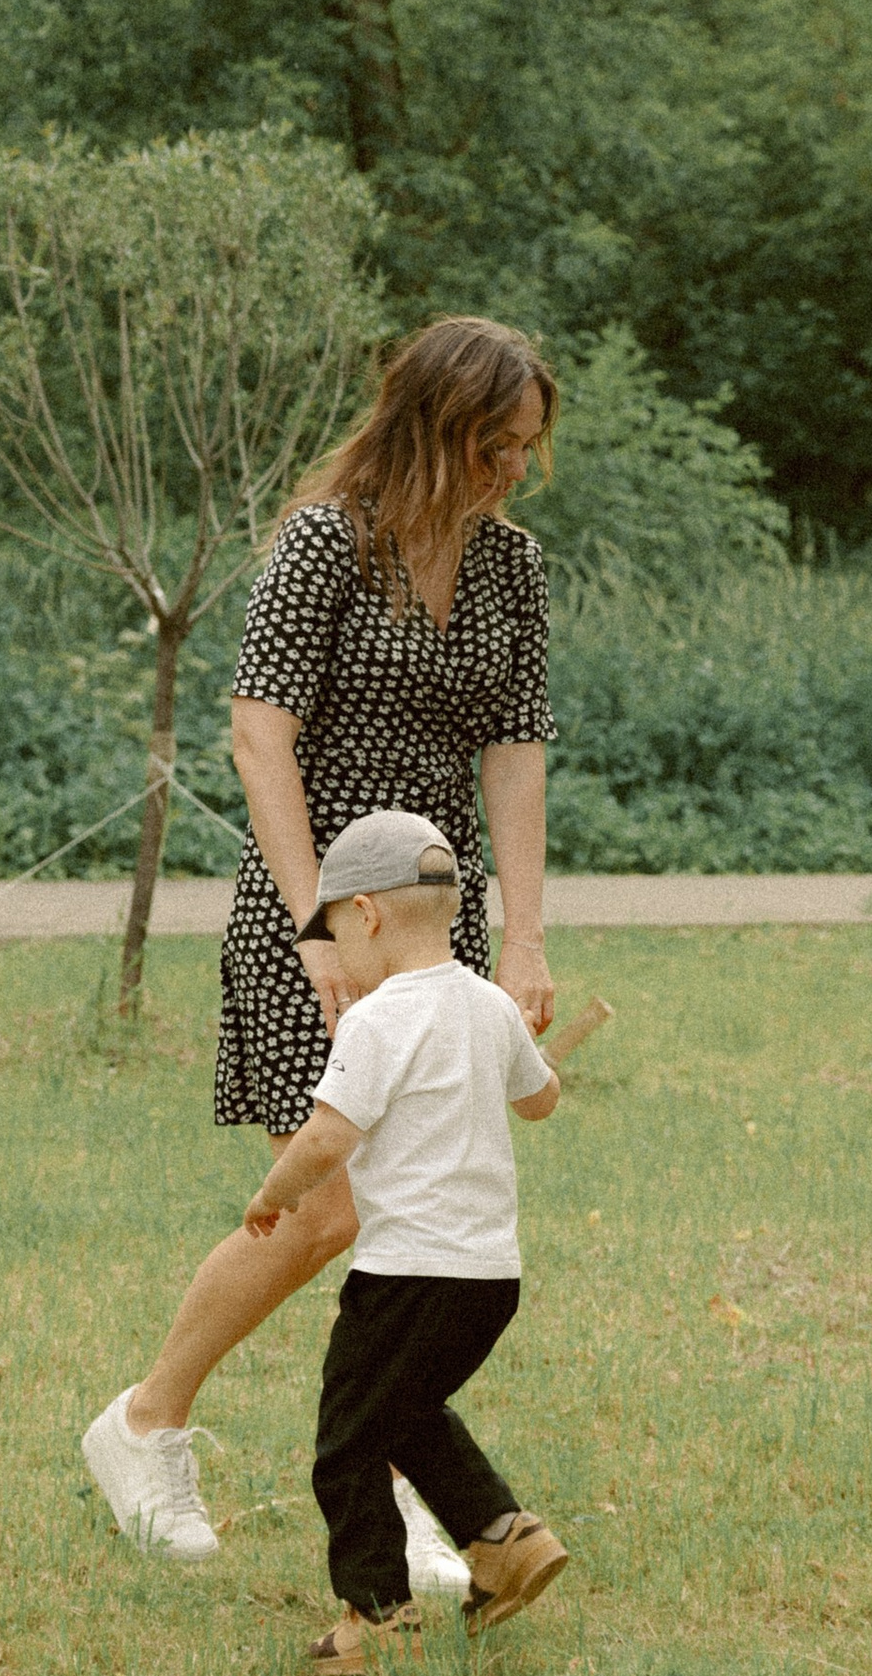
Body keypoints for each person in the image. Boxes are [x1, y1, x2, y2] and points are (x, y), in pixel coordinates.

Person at [83, 317, 561, 1561]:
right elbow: (260, 736)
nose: (515, 468)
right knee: (328, 1212)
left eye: (527, 446)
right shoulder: (325, 544)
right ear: (433, 427)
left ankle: (392, 1478)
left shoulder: (511, 567)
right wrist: (314, 930)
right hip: (318, 915)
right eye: (495, 444)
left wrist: (523, 938)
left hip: (432, 929)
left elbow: (515, 750)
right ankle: (145, 1425)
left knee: (414, 1216)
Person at [244, 806, 567, 1676]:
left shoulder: (377, 1020)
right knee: (406, 1413)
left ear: (368, 914)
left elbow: (325, 1137)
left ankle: (378, 1619)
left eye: (334, 933)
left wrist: (273, 1196)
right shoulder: (490, 1006)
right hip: (488, 1279)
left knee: (347, 1439)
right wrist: (525, 1050)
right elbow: (542, 1100)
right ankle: (506, 1541)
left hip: (404, 1276)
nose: (337, 954)